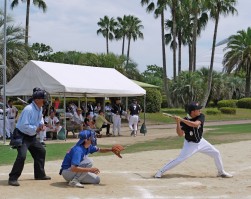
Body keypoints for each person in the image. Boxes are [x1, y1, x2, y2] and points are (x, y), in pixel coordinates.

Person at [154, 102, 233, 179]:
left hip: (201, 141)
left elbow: (195, 124)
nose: (200, 110)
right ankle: (160, 171)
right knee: (179, 159)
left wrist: (182, 120)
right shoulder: (183, 121)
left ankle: (221, 172)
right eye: (198, 109)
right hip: (190, 144)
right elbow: (180, 134)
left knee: (216, 153)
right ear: (192, 112)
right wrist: (178, 123)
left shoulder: (201, 116)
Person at [8, 87, 51, 186]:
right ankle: (12, 178)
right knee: (22, 156)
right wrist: (36, 128)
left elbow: (40, 119)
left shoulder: (39, 108)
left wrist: (41, 125)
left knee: (41, 151)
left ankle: (40, 174)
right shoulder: (28, 109)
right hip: (21, 136)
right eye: (43, 98)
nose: (45, 100)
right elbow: (24, 125)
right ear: (37, 100)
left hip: (31, 136)